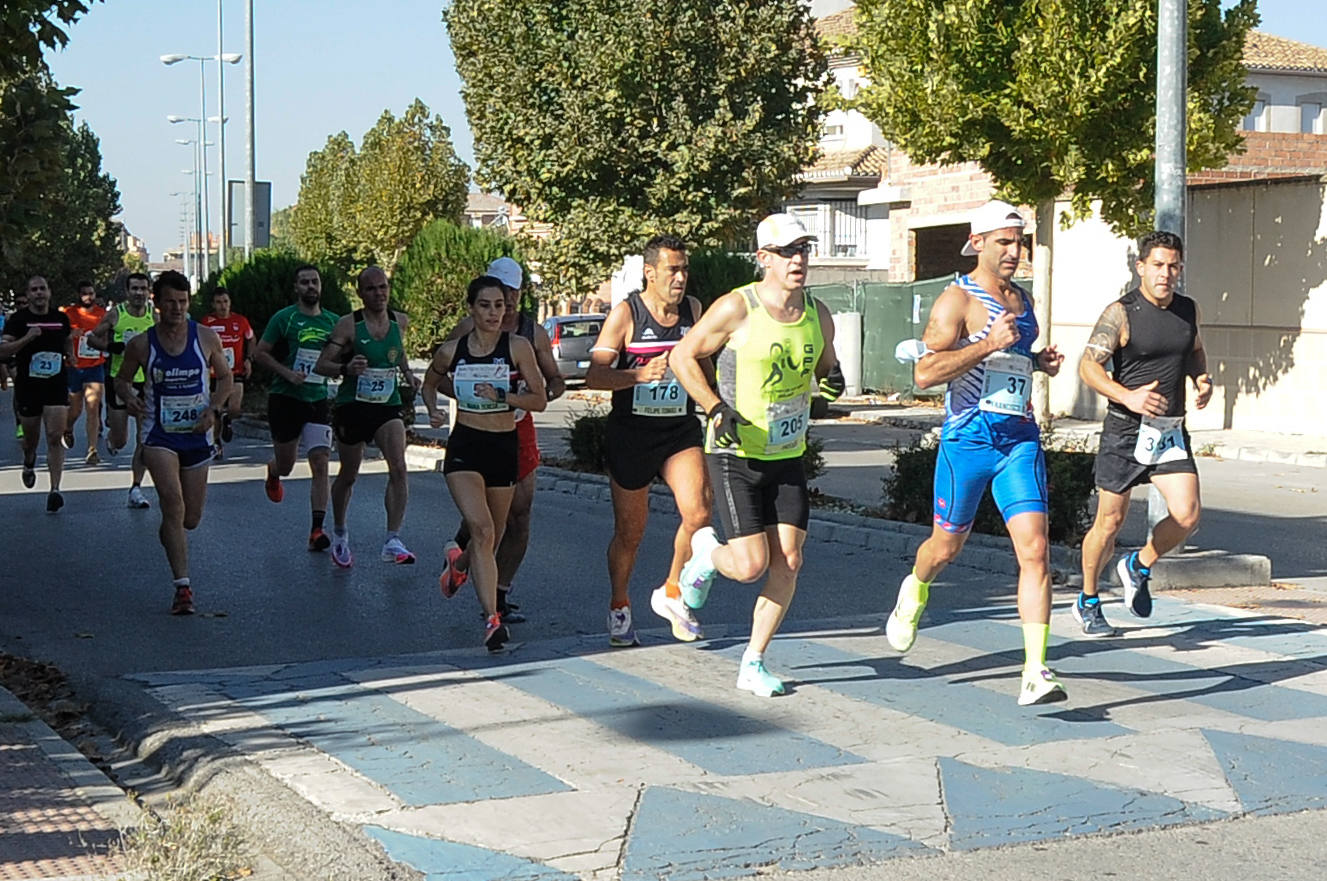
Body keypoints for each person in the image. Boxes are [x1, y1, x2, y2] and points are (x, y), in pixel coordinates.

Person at [880, 201, 1067, 706]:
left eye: (1019, 241)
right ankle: (915, 590)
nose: (1014, 251)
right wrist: (986, 345)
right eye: (1003, 241)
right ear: (978, 242)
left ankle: (1034, 671)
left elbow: (1014, 359)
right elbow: (924, 374)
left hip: (1018, 440)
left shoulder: (1023, 300)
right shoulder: (955, 301)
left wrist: (1037, 361)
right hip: (968, 441)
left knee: (1035, 550)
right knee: (945, 548)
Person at [670, 214, 842, 697]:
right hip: (735, 453)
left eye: (803, 249)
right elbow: (682, 356)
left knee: (788, 559)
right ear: (763, 258)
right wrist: (713, 406)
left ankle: (754, 660)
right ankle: (705, 554)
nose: (798, 260)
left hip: (787, 452)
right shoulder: (737, 307)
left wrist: (833, 380)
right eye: (787, 251)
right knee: (748, 566)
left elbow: (827, 367)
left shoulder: (818, 313)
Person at [1074, 230, 1210, 634]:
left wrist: (1201, 378)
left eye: (1173, 266)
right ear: (1141, 267)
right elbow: (1088, 367)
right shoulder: (1121, 313)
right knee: (1109, 523)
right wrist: (1127, 397)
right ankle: (1089, 598)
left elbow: (1195, 349)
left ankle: (1138, 564)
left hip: (1168, 430)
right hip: (1125, 430)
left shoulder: (1188, 310)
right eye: (1158, 265)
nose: (1166, 274)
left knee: (1187, 515)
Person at [586, 234, 713, 647]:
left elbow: (707, 368)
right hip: (632, 432)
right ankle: (619, 605)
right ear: (650, 272)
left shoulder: (693, 311)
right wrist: (637, 375)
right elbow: (595, 375)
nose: (680, 278)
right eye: (672, 270)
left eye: (685, 269)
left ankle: (672, 591)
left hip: (678, 429)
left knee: (699, 511)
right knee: (631, 532)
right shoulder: (626, 314)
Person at [424, 275, 547, 651]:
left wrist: (505, 396)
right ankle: (492, 620)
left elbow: (539, 400)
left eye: (499, 305)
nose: (494, 312)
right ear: (471, 309)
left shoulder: (518, 347)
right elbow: (430, 382)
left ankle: (459, 566)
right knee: (480, 528)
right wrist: (433, 410)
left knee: (490, 533)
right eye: (485, 305)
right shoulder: (453, 350)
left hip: (502, 445)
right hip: (465, 444)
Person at [441, 256, 565, 622]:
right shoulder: (466, 328)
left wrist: (531, 394)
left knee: (521, 514)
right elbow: (440, 372)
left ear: (520, 293)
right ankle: (467, 550)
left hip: (518, 427)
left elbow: (554, 383)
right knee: (487, 519)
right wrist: (466, 397)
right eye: (498, 291)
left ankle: (497, 593)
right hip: (478, 427)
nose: (505, 302)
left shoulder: (533, 333)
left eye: (511, 293)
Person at [116, 271, 231, 615]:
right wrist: (130, 396)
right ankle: (183, 587)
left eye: (183, 302)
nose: (177, 309)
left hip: (197, 434)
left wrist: (214, 409)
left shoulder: (206, 337)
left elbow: (225, 377)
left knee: (190, 518)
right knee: (173, 502)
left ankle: (171, 533)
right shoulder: (142, 344)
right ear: (157, 303)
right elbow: (121, 380)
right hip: (159, 435)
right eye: (170, 302)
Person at [314, 266, 421, 568]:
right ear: (360, 293)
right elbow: (322, 365)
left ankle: (392, 539)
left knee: (399, 467)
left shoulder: (400, 321)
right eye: (372, 289)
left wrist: (408, 374)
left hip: (387, 404)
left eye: (383, 287)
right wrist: (346, 369)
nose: (379, 293)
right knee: (349, 475)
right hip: (353, 405)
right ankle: (339, 531)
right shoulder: (348, 325)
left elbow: (397, 352)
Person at [252, 265, 338, 550]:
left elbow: (340, 356)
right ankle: (274, 471)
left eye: (315, 281)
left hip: (317, 399)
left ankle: (317, 530)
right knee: (288, 465)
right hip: (286, 398)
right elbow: (259, 353)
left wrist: (339, 369)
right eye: (304, 282)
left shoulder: (333, 322)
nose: (311, 286)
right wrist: (287, 373)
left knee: (321, 461)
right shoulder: (284, 318)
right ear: (296, 288)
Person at [0, 276, 73, 512]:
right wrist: (27, 338)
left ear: (49, 292)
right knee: (31, 439)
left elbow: (68, 340)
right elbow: (3, 350)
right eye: (34, 290)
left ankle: (55, 490)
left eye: (43, 289)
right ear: (28, 294)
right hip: (28, 386)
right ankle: (29, 460)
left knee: (55, 436)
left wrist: (70, 355)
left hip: (56, 384)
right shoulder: (18, 320)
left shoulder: (60, 318)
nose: (39, 293)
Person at [89, 272, 155, 509]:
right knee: (120, 439)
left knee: (143, 438)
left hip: (145, 382)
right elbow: (91, 339)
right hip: (120, 380)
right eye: (134, 288)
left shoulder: (153, 316)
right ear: (127, 292)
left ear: (149, 291)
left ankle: (136, 488)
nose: (139, 293)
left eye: (143, 288)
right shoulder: (117, 314)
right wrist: (110, 346)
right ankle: (111, 438)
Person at [199, 286, 254, 456]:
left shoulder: (241, 321)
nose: (223, 306)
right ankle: (216, 444)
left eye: (225, 302)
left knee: (235, 407)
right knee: (215, 409)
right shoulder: (207, 323)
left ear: (230, 303)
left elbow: (251, 339)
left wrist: (249, 359)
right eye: (218, 302)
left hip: (235, 371)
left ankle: (228, 419)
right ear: (213, 304)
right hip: (214, 374)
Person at [60, 281, 108, 465]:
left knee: (93, 405)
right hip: (74, 367)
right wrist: (70, 339)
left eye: (91, 293)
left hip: (95, 365)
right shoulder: (68, 313)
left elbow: (104, 338)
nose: (88, 297)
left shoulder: (101, 314)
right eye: (84, 293)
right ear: (78, 295)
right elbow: (62, 337)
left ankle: (92, 449)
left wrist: (103, 346)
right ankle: (68, 427)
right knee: (75, 409)